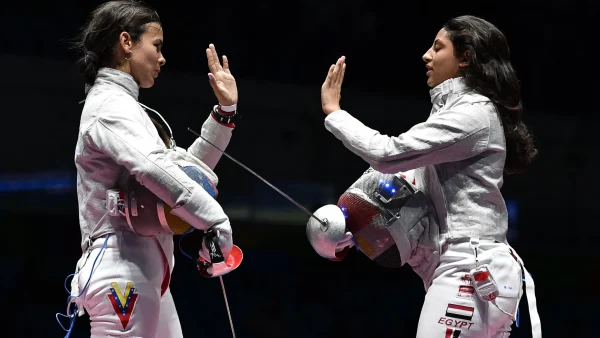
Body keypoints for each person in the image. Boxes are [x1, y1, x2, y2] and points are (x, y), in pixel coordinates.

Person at [318, 15, 542, 338]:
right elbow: (405, 187)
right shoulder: (453, 114)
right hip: (473, 273)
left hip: (469, 271)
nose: (426, 55)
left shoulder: (474, 114)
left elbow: (388, 155)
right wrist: (350, 230)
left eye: (438, 48)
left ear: (465, 58)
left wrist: (334, 113)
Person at [67, 1, 240, 337]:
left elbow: (184, 178)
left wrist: (224, 112)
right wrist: (215, 221)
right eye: (156, 46)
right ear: (126, 43)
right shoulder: (109, 105)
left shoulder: (127, 107)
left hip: (144, 271)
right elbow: (156, 169)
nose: (162, 59)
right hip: (121, 270)